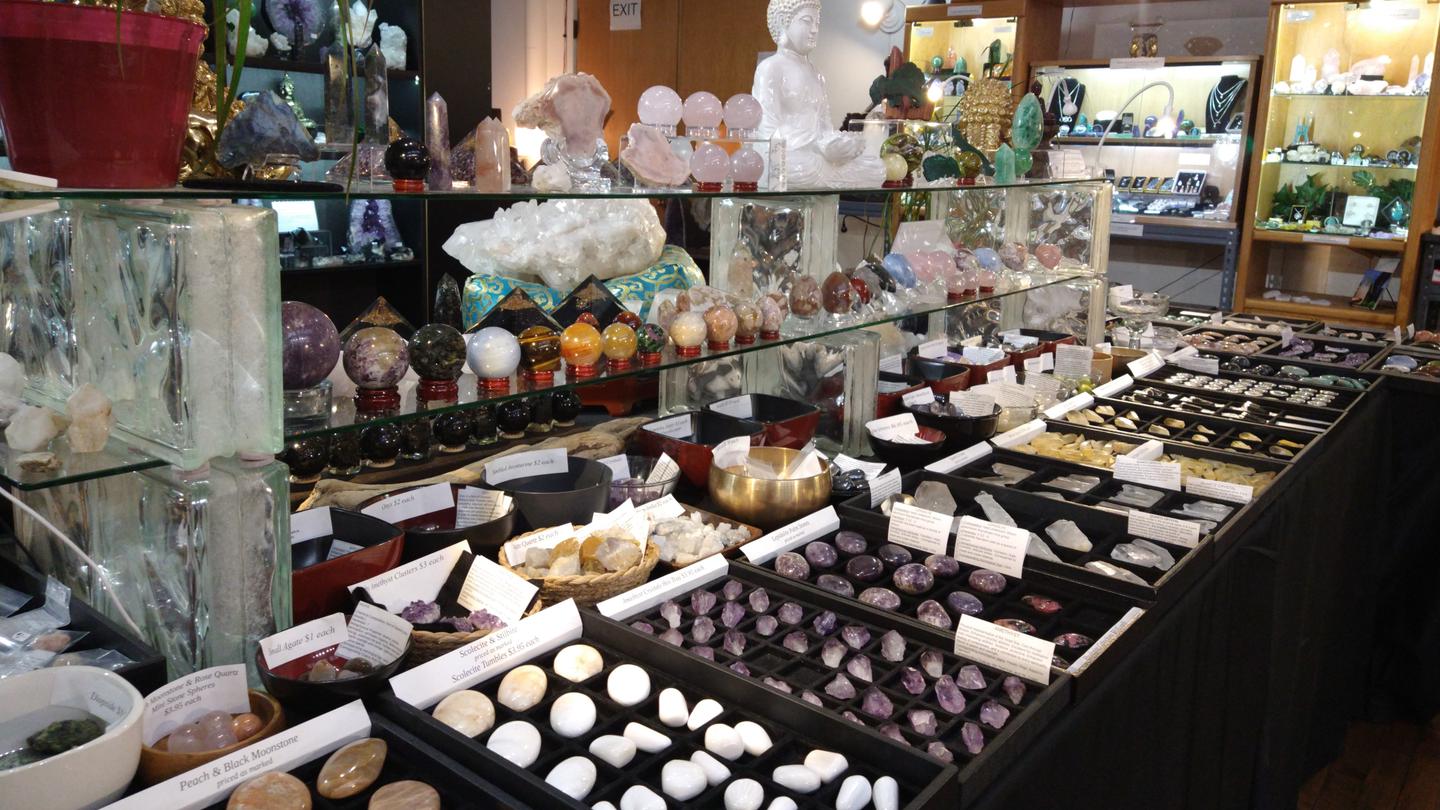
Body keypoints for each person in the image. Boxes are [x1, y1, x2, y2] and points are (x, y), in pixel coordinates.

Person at [753, 0, 885, 189]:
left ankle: (828, 176)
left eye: (817, 23)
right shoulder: (770, 68)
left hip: (817, 158)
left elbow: (825, 127)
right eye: (807, 21)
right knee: (794, 168)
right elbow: (767, 132)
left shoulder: (817, 75)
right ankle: (827, 177)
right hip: (788, 158)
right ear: (784, 21)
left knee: (876, 167)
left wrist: (835, 146)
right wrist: (813, 144)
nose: (814, 29)